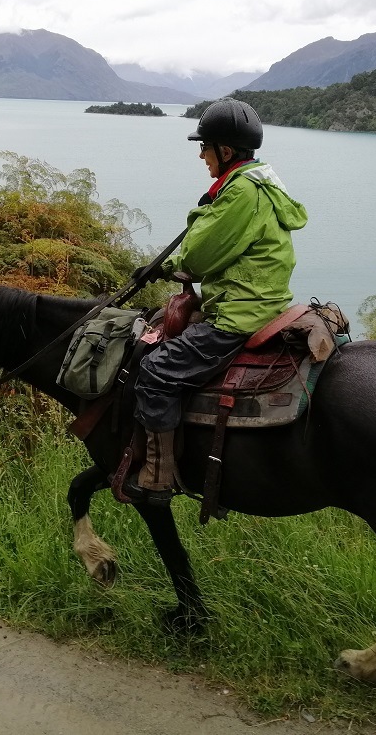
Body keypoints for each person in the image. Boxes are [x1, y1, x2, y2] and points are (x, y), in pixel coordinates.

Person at [123, 97, 308, 505]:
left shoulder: (241, 192)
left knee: (155, 372)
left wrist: (194, 228)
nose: (201, 154)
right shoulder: (261, 182)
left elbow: (199, 255)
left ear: (225, 151)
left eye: (205, 146)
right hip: (264, 301)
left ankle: (156, 477)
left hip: (240, 312)